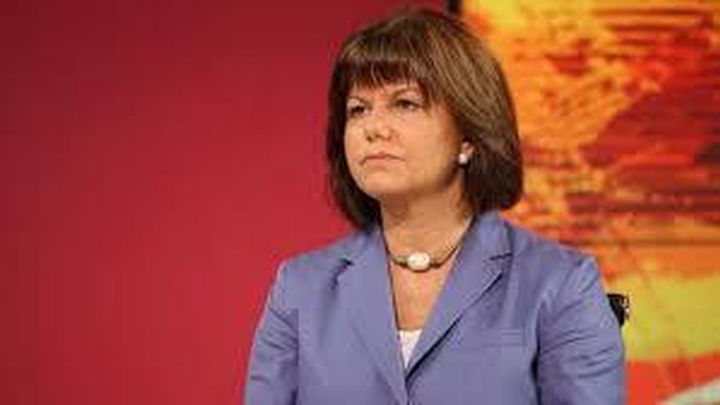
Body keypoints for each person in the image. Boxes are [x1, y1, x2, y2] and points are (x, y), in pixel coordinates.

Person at [244, 8, 625, 405]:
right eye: (358, 109)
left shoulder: (560, 284)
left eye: (404, 104)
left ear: (468, 137)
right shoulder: (299, 289)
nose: (374, 128)